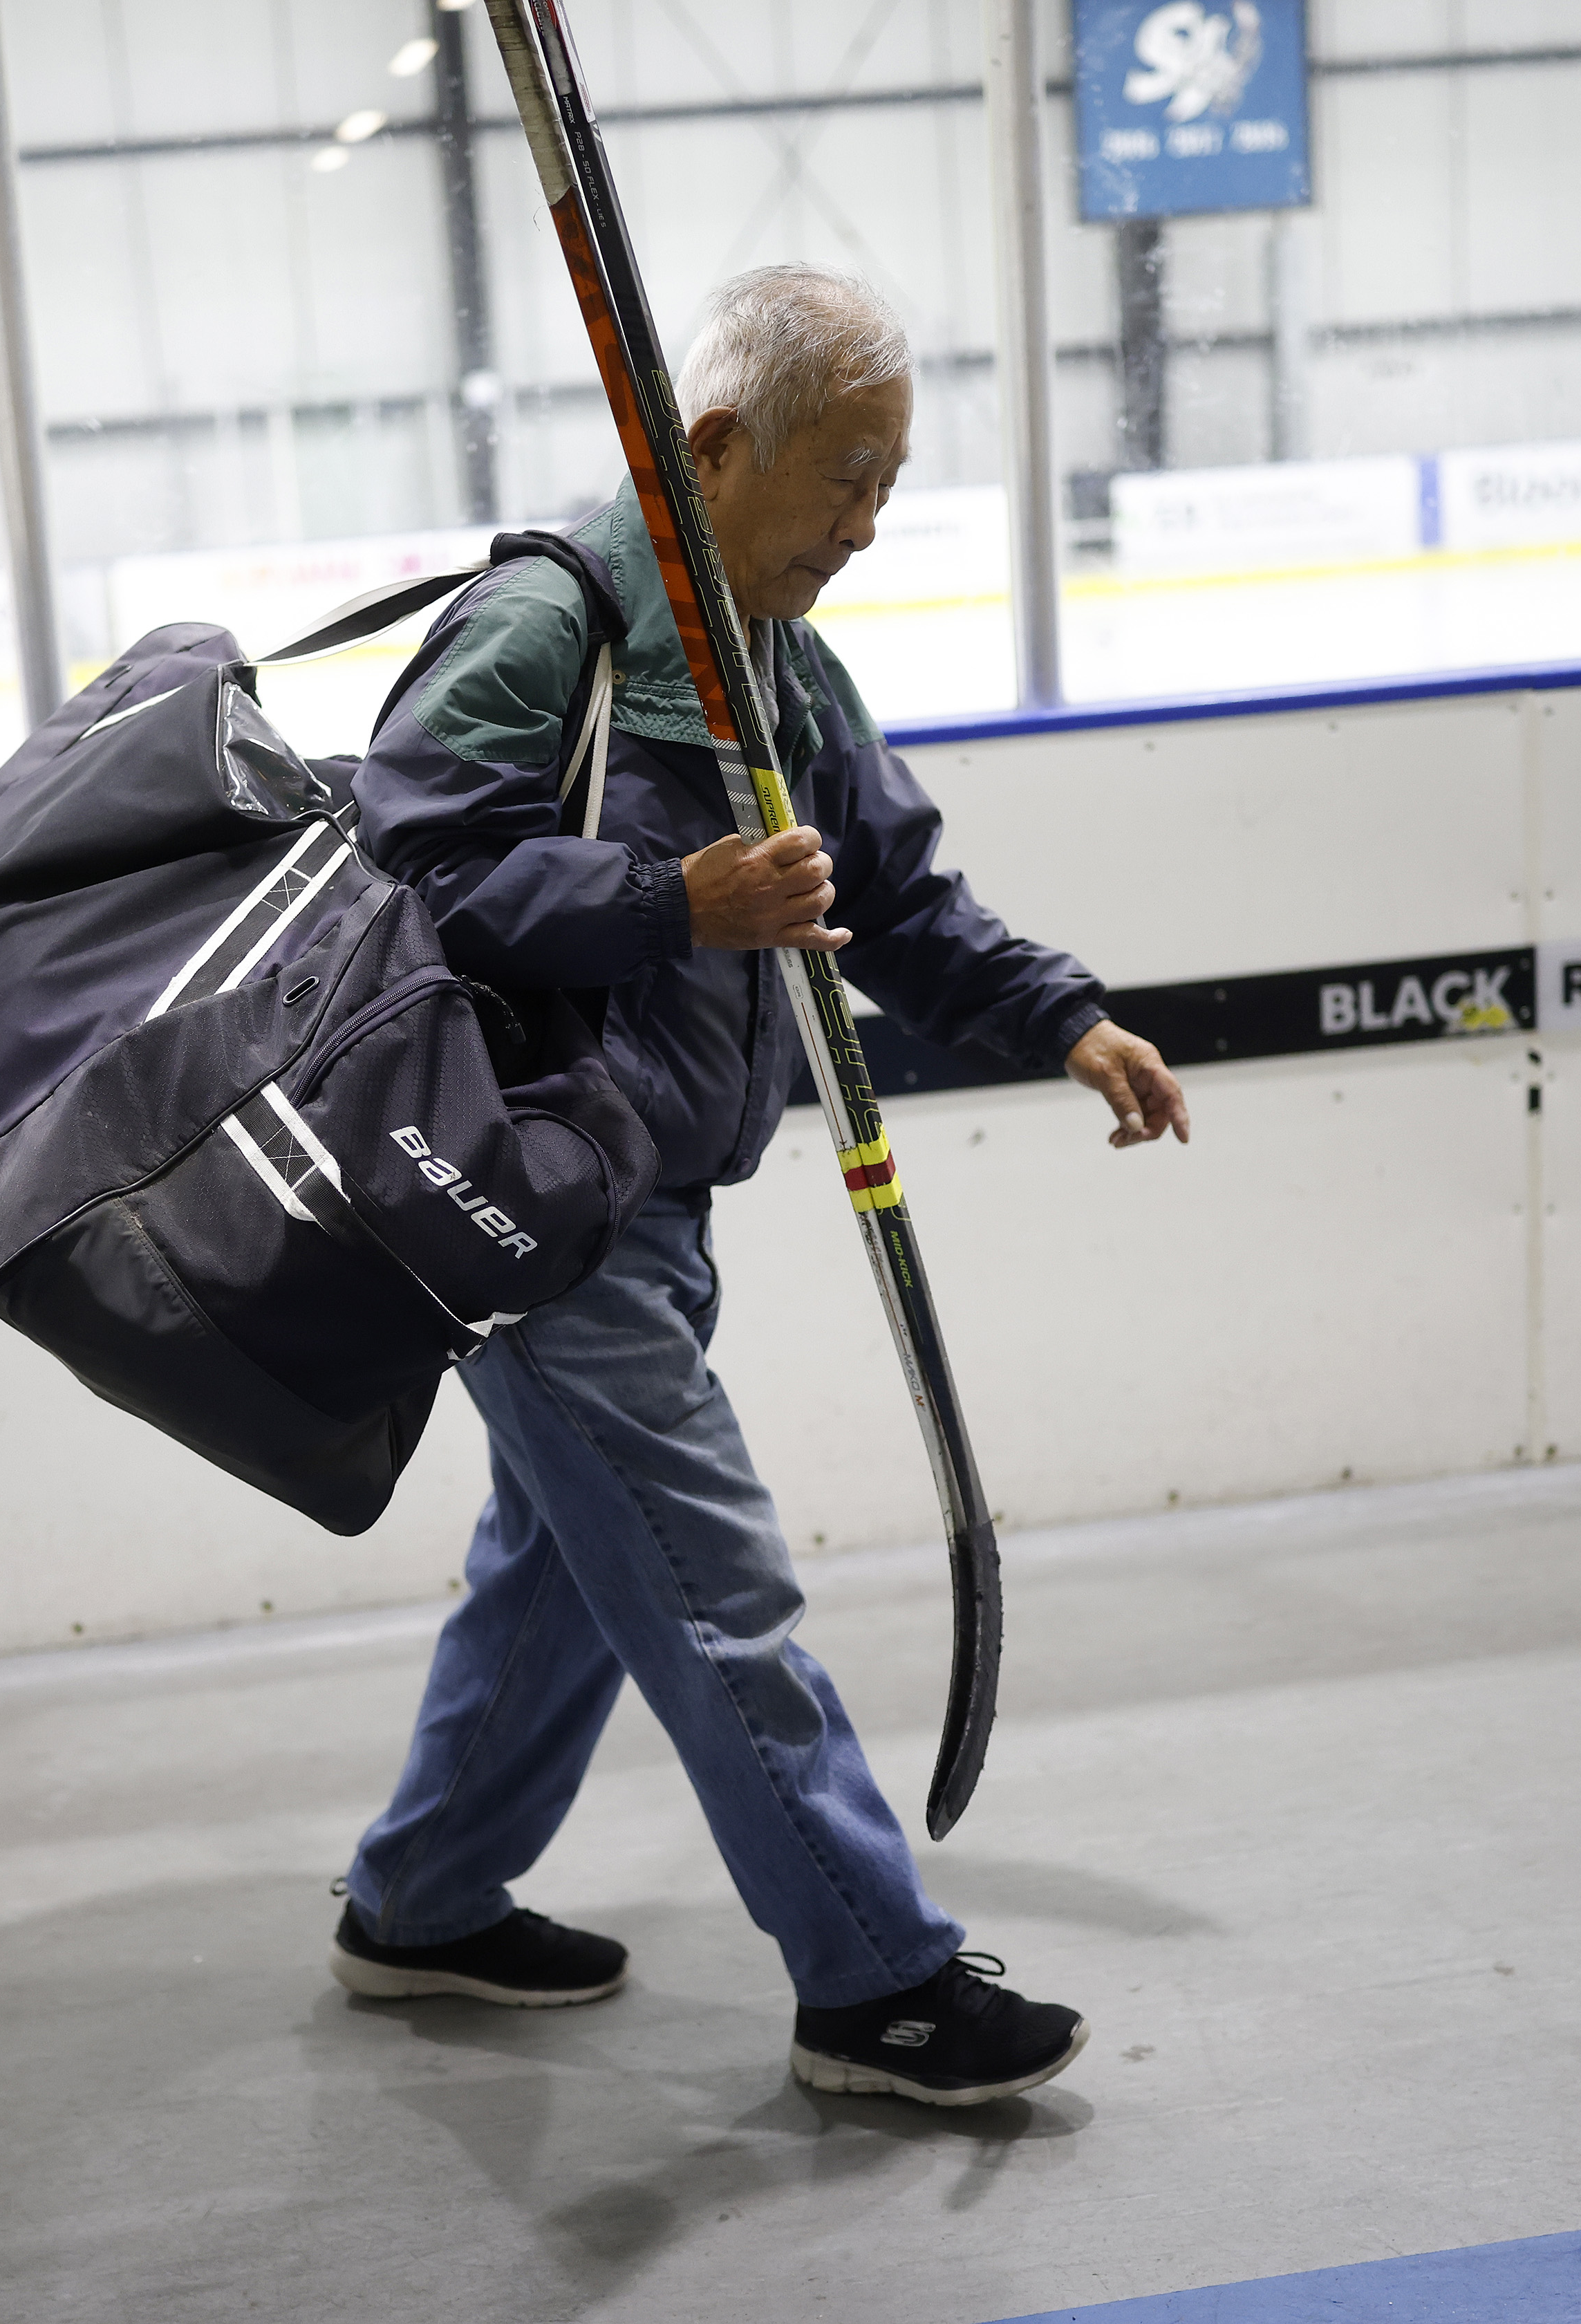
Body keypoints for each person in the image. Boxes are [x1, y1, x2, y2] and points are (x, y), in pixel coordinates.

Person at [329, 263, 1191, 2108]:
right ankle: (873, 1979)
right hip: (527, 1204)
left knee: (566, 1567)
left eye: (891, 484)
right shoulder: (549, 622)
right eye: (844, 480)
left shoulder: (784, 663)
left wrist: (1065, 1019)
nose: (867, 524)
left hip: (653, 1202)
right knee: (717, 1586)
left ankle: (420, 1898)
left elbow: (891, 890)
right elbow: (404, 876)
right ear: (714, 447)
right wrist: (672, 900)